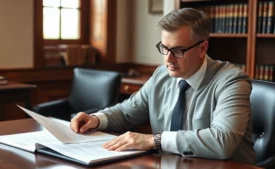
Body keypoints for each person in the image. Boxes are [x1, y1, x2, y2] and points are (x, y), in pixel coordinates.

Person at [70, 8, 255, 165]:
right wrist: (96, 119)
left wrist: (155, 140)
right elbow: (126, 111)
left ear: (202, 49)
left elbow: (223, 141)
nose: (168, 59)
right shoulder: (161, 75)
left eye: (177, 51)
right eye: (164, 48)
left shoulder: (231, 81)